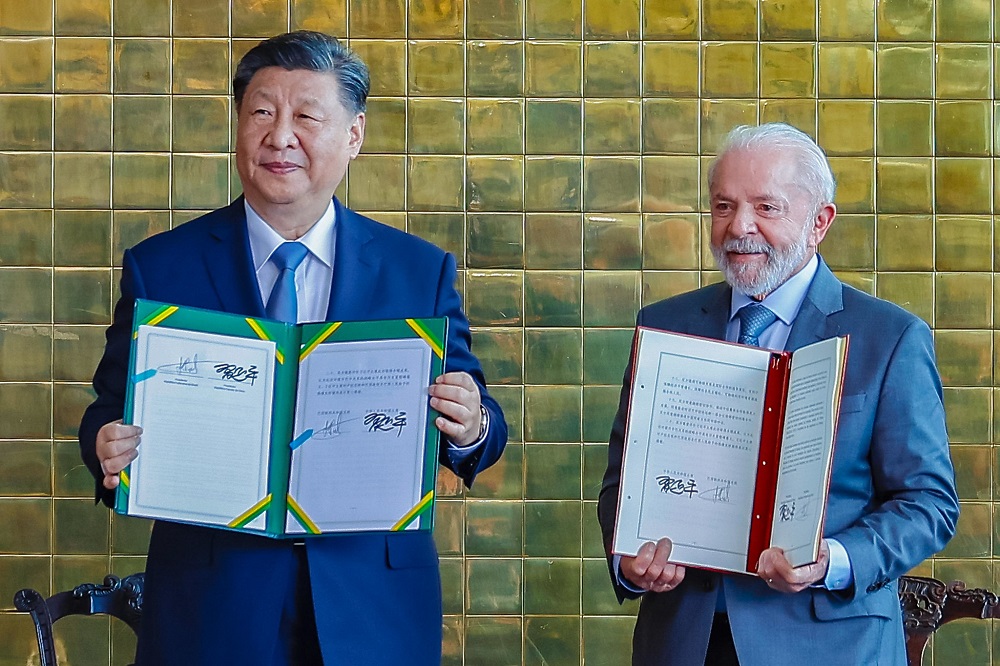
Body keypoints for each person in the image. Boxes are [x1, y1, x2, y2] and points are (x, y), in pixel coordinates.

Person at [79, 31, 507, 665]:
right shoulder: (163, 267)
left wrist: (471, 425)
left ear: (354, 136)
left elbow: (482, 433)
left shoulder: (417, 272)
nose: (280, 137)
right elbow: (107, 410)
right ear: (238, 126)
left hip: (372, 608)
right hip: (213, 608)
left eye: (307, 116)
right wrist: (104, 445)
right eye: (261, 112)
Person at [597, 123, 959, 665]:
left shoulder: (890, 337)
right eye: (723, 206)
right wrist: (629, 560)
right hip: (684, 641)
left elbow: (929, 504)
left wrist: (834, 559)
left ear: (819, 222)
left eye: (766, 207)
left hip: (829, 645)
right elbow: (622, 483)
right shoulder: (665, 326)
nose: (739, 226)